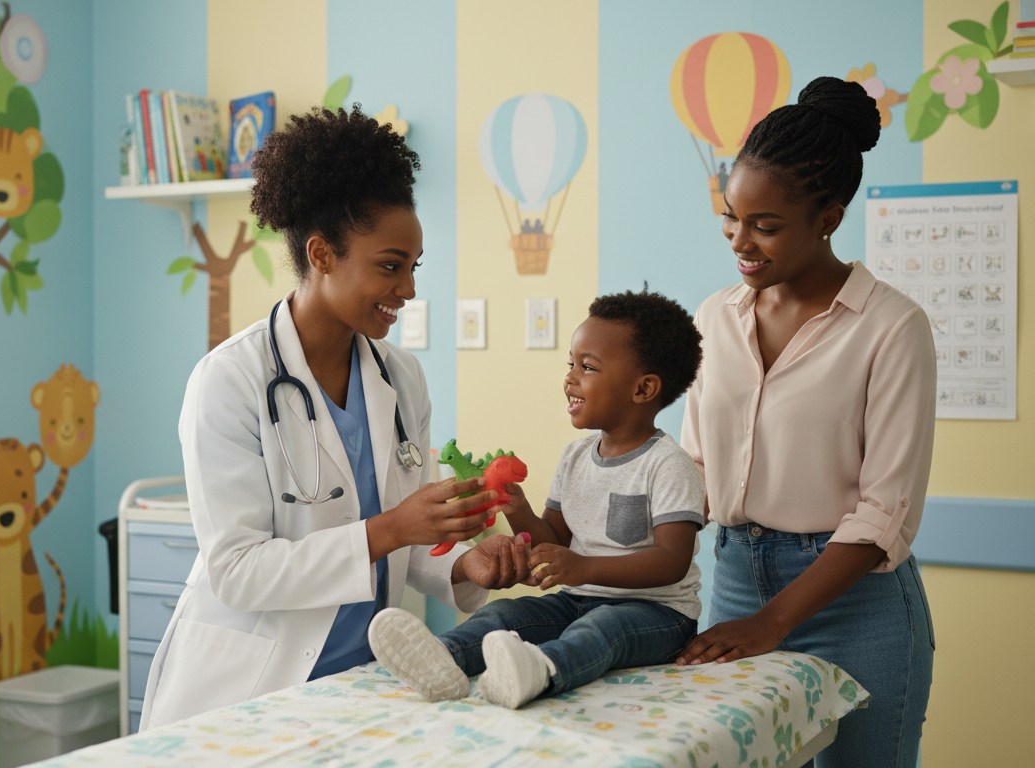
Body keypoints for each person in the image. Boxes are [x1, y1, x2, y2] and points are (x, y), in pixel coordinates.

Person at [139, 106, 534, 730]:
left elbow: (408, 541)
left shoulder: (401, 377)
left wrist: (464, 562)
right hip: (251, 692)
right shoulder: (230, 380)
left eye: (414, 267)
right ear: (321, 254)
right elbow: (239, 572)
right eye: (390, 265)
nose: (408, 289)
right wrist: (391, 528)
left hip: (362, 686)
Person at [674, 77, 936, 768]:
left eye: (765, 225)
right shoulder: (714, 318)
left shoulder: (892, 327)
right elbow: (696, 471)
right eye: (731, 217)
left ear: (828, 218)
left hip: (857, 605)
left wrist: (774, 621)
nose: (740, 240)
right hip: (734, 579)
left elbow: (884, 510)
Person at [368, 291, 705, 709]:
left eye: (587, 367)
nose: (570, 378)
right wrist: (519, 510)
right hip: (578, 599)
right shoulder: (575, 457)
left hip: (657, 613)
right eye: (570, 364)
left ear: (644, 388)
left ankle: (539, 672)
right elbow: (554, 541)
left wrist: (584, 567)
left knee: (600, 630)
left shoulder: (669, 464)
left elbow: (672, 561)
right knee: (507, 615)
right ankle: (442, 659)